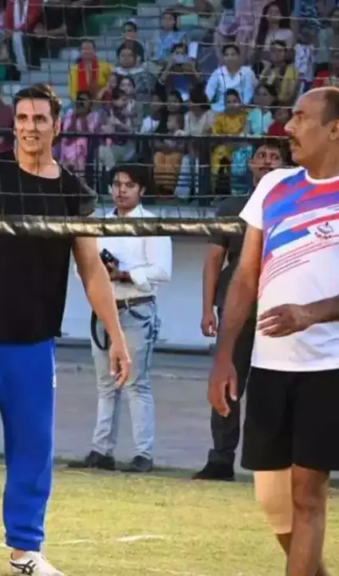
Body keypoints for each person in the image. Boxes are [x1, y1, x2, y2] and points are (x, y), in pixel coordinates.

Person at [0, 85, 130, 576]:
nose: (30, 126)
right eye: (22, 117)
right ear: (12, 123)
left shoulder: (73, 192)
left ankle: (24, 553)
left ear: (58, 124)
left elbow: (92, 269)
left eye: (39, 118)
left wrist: (116, 336)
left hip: (33, 342)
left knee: (33, 450)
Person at [209, 87, 339, 576]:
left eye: (301, 118)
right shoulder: (273, 187)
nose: (288, 128)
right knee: (271, 499)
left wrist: (311, 313)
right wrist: (224, 357)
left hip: (328, 368)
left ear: (334, 128)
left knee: (308, 495)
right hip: (267, 366)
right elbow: (244, 279)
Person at [70, 164, 172, 474]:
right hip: (104, 309)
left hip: (136, 308)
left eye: (128, 185)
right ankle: (102, 450)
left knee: (135, 384)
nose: (121, 190)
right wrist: (103, 274)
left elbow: (163, 271)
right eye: (116, 184)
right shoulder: (99, 225)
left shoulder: (152, 224)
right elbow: (83, 267)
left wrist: (125, 273)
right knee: (105, 384)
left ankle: (144, 452)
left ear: (141, 189)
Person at [194, 140, 284, 482]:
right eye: (262, 156)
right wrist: (207, 310)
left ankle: (274, 462)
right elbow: (213, 260)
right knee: (228, 382)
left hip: (281, 308)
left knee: (276, 387)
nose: (267, 161)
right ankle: (220, 458)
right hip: (238, 309)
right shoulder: (232, 206)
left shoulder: (293, 204)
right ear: (251, 165)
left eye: (275, 156)